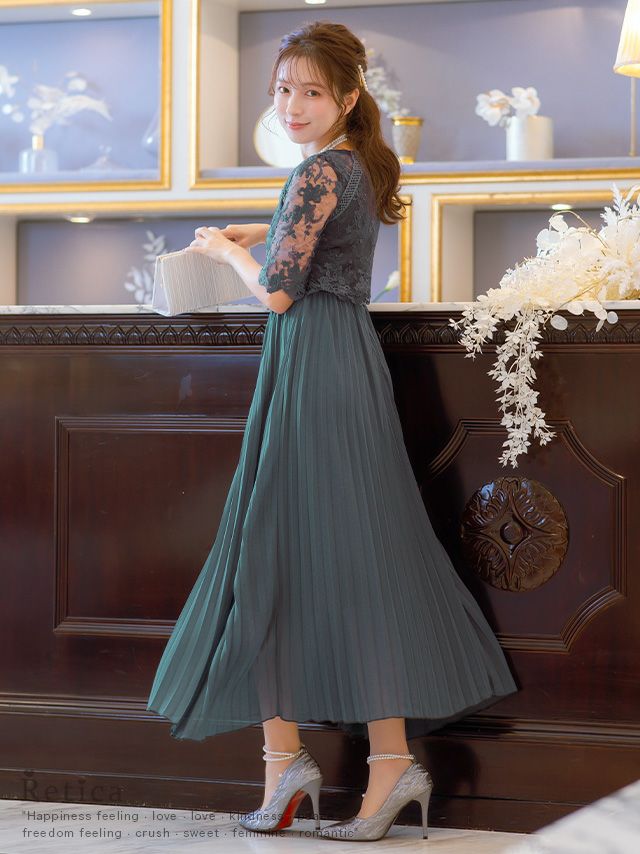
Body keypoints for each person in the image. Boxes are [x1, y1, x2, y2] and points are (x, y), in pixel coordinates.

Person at [146, 20, 519, 843]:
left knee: (277, 554)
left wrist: (225, 250)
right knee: (332, 558)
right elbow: (316, 243)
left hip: (314, 363)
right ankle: (344, 763)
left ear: (348, 97)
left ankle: (321, 762)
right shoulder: (350, 165)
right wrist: (261, 228)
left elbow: (279, 292)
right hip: (334, 362)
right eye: (283, 89)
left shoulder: (320, 170)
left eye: (310, 91)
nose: (292, 105)